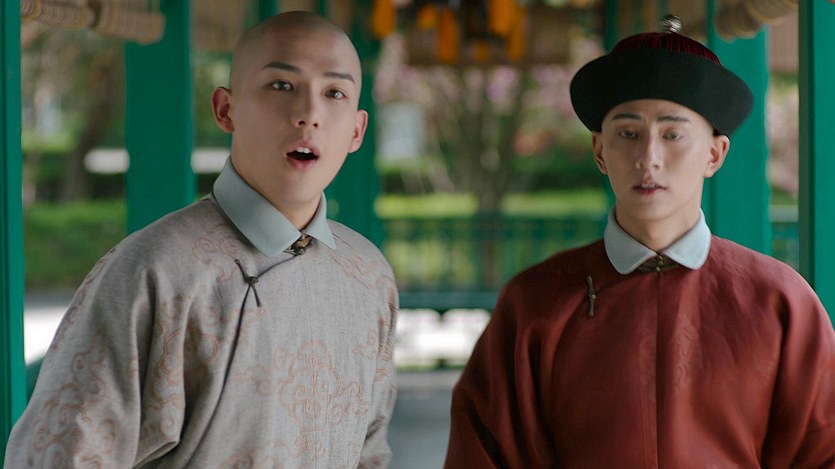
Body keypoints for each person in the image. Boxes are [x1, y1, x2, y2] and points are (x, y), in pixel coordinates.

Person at [5, 11, 398, 468]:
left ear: (357, 130)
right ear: (225, 109)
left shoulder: (369, 276)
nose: (309, 114)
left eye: (334, 93)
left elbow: (369, 454)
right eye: (282, 85)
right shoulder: (154, 270)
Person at [444, 15, 835, 468]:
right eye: (628, 134)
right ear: (600, 151)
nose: (649, 158)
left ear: (714, 153)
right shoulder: (534, 303)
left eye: (673, 135)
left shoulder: (779, 301)